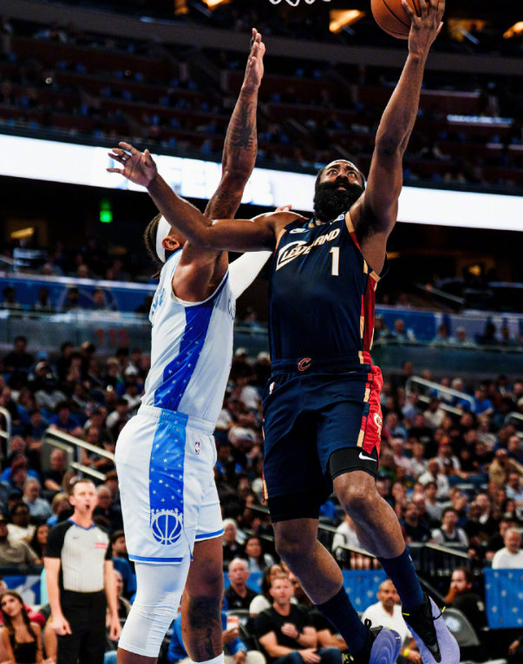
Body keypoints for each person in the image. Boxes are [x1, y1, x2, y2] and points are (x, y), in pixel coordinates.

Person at [108, 5, 457, 664]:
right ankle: (364, 639)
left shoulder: (311, 238)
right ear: (173, 245)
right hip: (193, 426)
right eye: (333, 170)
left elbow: (385, 149)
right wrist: (159, 181)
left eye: (349, 173)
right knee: (172, 592)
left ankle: (412, 616)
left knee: (208, 590)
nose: (342, 173)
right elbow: (222, 200)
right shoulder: (205, 262)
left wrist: (413, 56)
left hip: (279, 404)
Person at [109, 34, 269, 664]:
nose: (209, 223)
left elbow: (253, 255)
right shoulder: (192, 270)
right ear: (178, 243)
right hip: (165, 440)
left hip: (193, 442)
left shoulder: (211, 277)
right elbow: (235, 176)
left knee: (205, 590)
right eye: (194, 225)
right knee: (157, 598)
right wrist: (249, 91)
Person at [45, 478, 120, 664]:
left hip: (97, 603)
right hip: (70, 602)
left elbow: (108, 575)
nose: (87, 498)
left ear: (96, 500)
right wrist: (56, 614)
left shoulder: (103, 533)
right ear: (72, 500)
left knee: (95, 658)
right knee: (67, 659)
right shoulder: (59, 532)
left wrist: (114, 614)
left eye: (91, 494)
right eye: (82, 494)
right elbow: (51, 575)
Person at [254, 575, 342, 664]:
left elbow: (312, 642)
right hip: (281, 660)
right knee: (295, 656)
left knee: (333, 652)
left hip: (306, 654)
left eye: (285, 587)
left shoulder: (302, 611)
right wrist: (300, 653)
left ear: (292, 590)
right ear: (271, 592)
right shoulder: (264, 617)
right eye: (278, 588)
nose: (282, 591)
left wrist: (296, 635)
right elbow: (273, 650)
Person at [0, 590, 47, 664]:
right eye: (4, 604)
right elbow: (12, 660)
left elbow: (39, 655)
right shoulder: (5, 631)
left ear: (21, 604)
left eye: (11, 601)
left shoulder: (35, 627)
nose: (8, 606)